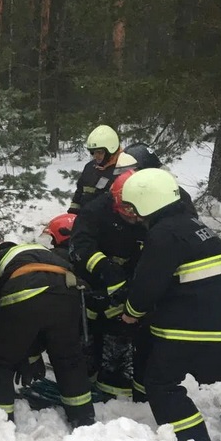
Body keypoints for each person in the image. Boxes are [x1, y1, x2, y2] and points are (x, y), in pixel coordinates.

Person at [116, 168, 221, 441]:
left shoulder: (163, 235)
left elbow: (147, 286)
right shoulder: (198, 229)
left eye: (136, 208)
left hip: (181, 328)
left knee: (161, 385)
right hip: (212, 325)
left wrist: (131, 312)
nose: (136, 216)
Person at [68, 143, 166, 399]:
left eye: (137, 212)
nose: (133, 218)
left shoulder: (149, 213)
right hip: (92, 281)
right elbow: (80, 248)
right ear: (116, 202)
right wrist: (106, 270)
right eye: (128, 212)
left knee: (124, 331)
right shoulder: (94, 212)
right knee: (86, 331)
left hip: (131, 284)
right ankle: (85, 375)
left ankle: (118, 385)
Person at [0, 242, 95, 428]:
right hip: (68, 293)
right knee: (69, 360)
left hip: (26, 288)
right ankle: (83, 419)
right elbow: (39, 324)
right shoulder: (43, 252)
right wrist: (30, 356)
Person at [68, 125, 122, 214]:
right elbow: (79, 192)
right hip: (86, 219)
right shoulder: (89, 168)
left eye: (100, 152)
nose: (96, 156)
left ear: (110, 151)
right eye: (93, 152)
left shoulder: (121, 170)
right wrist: (73, 213)